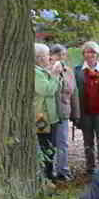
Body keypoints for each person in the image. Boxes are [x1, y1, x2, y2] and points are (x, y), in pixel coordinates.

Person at [73, 40, 99, 176]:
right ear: (83, 54)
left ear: (98, 54)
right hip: (85, 112)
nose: (90, 54)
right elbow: (74, 91)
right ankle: (90, 168)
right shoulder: (78, 71)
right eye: (87, 51)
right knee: (88, 142)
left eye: (92, 52)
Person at [33, 43, 64, 180]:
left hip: (50, 116)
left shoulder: (43, 70)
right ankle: (47, 176)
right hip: (41, 117)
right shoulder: (35, 72)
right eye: (47, 55)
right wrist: (55, 75)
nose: (50, 58)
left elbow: (56, 88)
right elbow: (47, 90)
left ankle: (49, 174)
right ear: (39, 58)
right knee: (45, 145)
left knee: (51, 145)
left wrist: (54, 75)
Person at [48, 44, 74, 180]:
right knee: (48, 143)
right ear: (50, 56)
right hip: (47, 114)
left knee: (62, 143)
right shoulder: (45, 70)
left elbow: (73, 92)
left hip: (63, 111)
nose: (61, 58)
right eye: (58, 55)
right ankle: (48, 171)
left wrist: (76, 114)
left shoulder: (68, 71)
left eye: (63, 55)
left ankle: (62, 171)